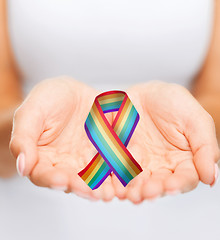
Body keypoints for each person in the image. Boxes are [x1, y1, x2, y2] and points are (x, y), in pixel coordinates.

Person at [0, 0, 220, 239]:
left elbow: (215, 96)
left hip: (187, 216)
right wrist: (29, 128)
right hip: (32, 220)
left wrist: (196, 127)